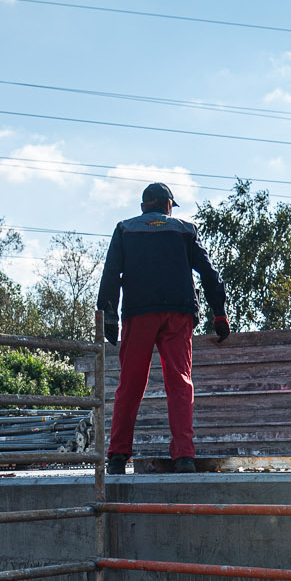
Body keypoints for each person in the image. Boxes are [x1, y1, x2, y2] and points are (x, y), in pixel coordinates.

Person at [96, 182, 229, 474]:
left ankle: (117, 456)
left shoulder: (125, 229)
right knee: (180, 383)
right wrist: (219, 314)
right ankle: (184, 457)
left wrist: (110, 318)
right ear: (168, 205)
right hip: (177, 313)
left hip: (139, 313)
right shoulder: (184, 230)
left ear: (144, 206)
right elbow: (208, 272)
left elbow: (110, 274)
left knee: (130, 384)